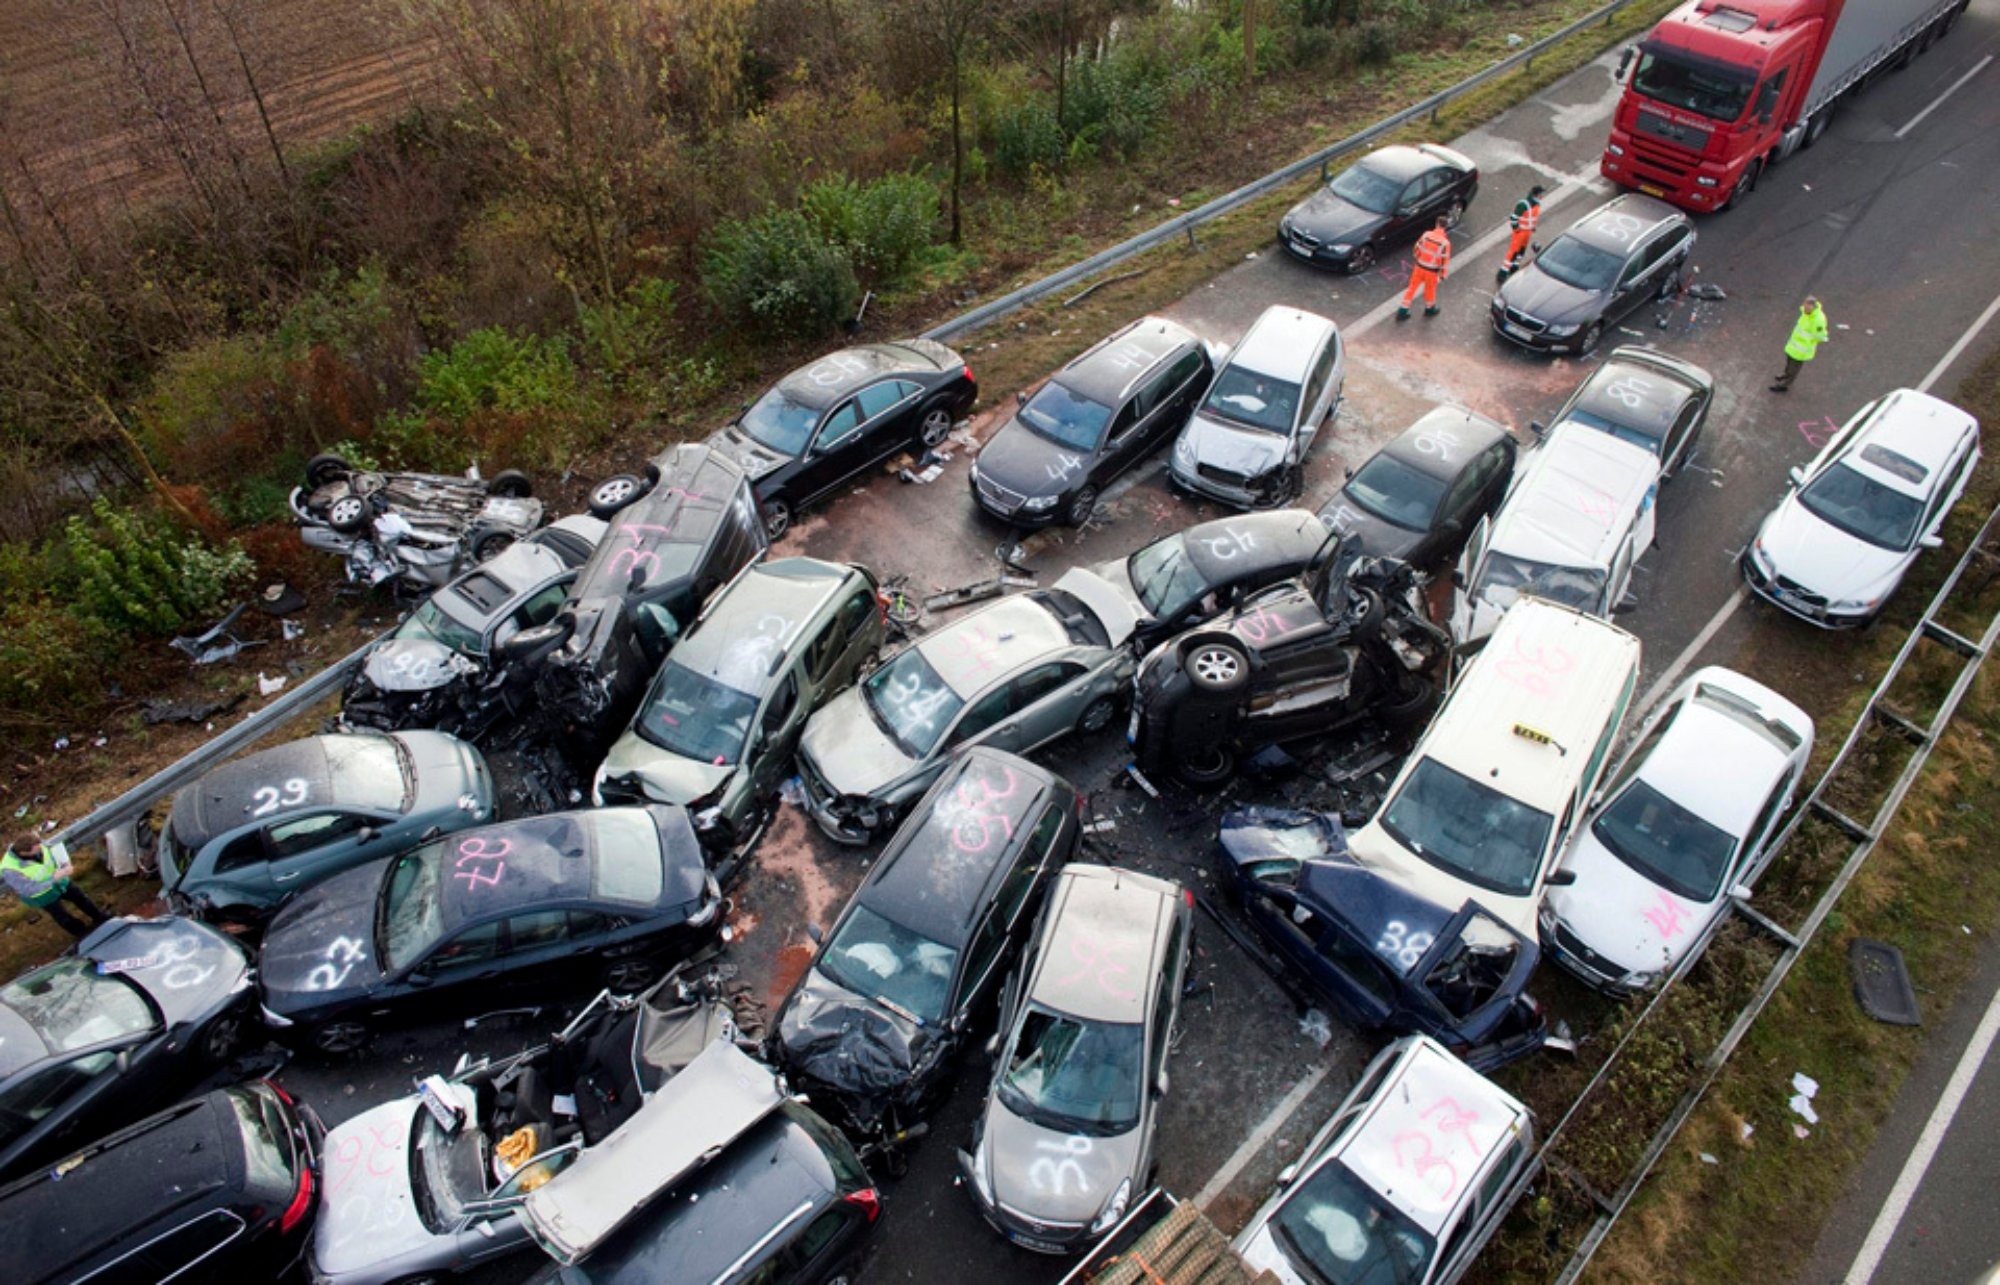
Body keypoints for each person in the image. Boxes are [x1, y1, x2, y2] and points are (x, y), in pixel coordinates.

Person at [3, 833, 110, 939]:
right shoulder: (10, 870)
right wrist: (53, 879)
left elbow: (54, 851)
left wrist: (65, 865)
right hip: (42, 895)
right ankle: (83, 933)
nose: (40, 850)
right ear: (24, 852)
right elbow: (29, 890)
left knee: (81, 898)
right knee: (62, 915)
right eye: (36, 849)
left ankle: (100, 917)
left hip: (60, 880)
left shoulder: (37, 844)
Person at [1397, 218, 1454, 321]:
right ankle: (1430, 309)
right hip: (1431, 271)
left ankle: (1403, 310)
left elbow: (1417, 248)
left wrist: (1418, 257)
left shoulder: (1426, 235)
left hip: (1419, 267)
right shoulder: (1445, 243)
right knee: (1430, 290)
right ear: (1445, 227)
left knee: (1412, 288)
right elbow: (1444, 260)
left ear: (1436, 224)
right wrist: (1443, 275)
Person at [1770, 297, 1830, 392]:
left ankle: (1785, 384)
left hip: (1802, 350)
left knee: (1794, 368)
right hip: (1794, 345)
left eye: (1807, 308)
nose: (1804, 309)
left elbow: (1820, 336)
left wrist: (1808, 342)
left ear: (1812, 307)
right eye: (1804, 307)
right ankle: (1785, 374)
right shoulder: (1807, 313)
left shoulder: (1818, 320)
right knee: (1789, 362)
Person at [1497, 184, 1545, 282]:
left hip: (1527, 232)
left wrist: (1532, 227)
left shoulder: (1536, 204)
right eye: (1541, 194)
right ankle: (1502, 273)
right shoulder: (1523, 204)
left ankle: (1514, 267)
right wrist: (1517, 229)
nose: (1542, 196)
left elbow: (1531, 218)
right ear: (1537, 194)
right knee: (1513, 251)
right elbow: (1514, 218)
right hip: (1521, 232)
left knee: (1521, 251)